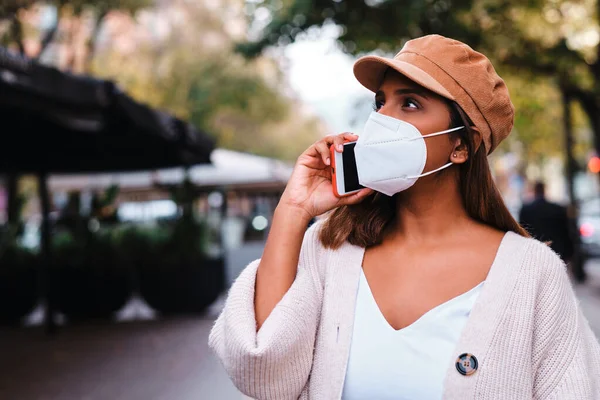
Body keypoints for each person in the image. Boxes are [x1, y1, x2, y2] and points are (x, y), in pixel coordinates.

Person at [209, 35, 600, 399]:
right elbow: (260, 372)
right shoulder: (330, 248)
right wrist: (293, 210)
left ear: (461, 146)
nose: (383, 119)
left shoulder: (533, 274)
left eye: (409, 103)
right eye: (381, 102)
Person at [519, 181, 575, 263]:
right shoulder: (557, 209)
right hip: (557, 252)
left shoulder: (526, 210)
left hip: (536, 253)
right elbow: (565, 231)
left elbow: (523, 232)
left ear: (535, 191)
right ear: (544, 190)